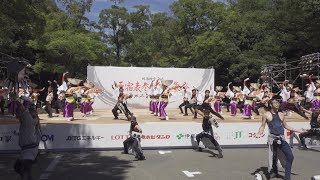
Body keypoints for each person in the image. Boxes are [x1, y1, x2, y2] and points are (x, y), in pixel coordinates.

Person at [256, 99, 304, 180]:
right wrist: (259, 133)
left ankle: (287, 177)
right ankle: (274, 172)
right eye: (275, 102)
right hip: (272, 140)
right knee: (273, 157)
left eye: (278, 102)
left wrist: (297, 130)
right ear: (270, 105)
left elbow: (286, 126)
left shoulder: (281, 114)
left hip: (281, 139)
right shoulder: (266, 115)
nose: (277, 104)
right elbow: (262, 126)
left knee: (290, 156)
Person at [14, 100, 41, 180]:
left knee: (25, 170)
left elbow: (22, 108)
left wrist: (16, 99)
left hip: (29, 150)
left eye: (17, 112)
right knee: (17, 167)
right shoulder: (28, 122)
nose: (16, 113)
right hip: (27, 149)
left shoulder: (27, 120)